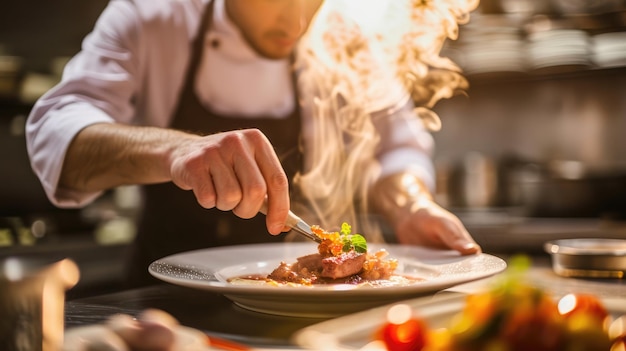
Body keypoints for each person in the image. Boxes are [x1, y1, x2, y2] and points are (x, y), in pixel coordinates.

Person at [26, 0, 481, 287]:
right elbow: (55, 132)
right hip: (164, 308)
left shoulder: (341, 37)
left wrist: (411, 205)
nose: (298, 19)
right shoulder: (151, 16)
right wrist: (175, 150)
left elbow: (396, 146)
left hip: (306, 323)